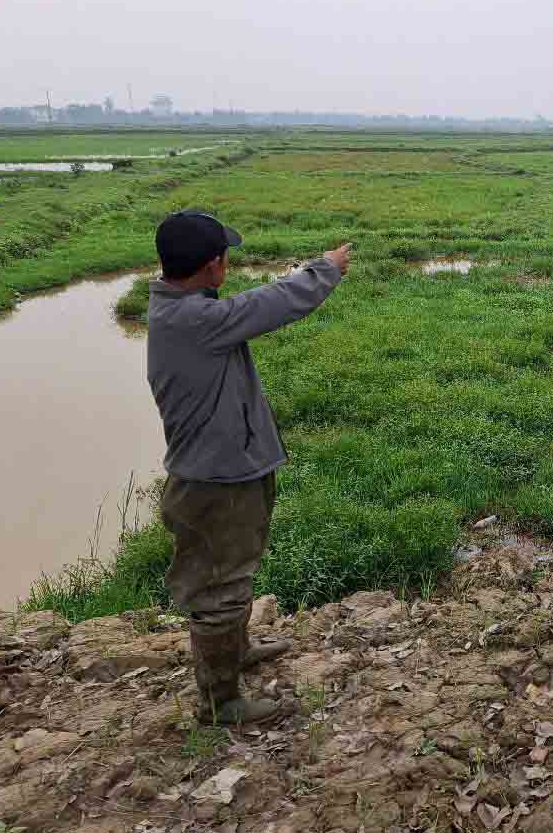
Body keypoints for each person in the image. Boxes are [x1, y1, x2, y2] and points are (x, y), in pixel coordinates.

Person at [147, 208, 351, 724]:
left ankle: (235, 653)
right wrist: (322, 269)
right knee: (220, 588)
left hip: (224, 472)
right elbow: (273, 302)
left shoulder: (185, 310)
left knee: (233, 572)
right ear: (214, 265)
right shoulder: (194, 320)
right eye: (225, 258)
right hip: (216, 484)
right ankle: (221, 703)